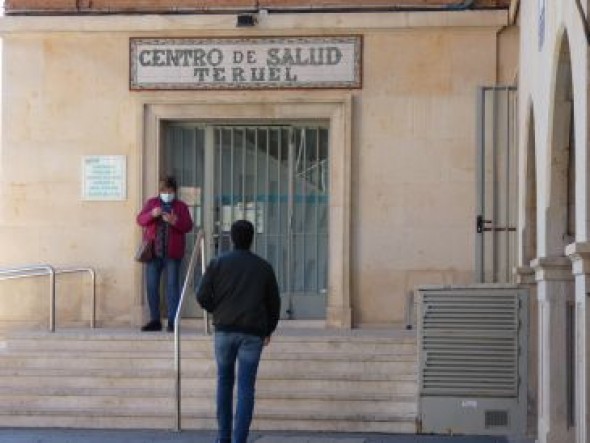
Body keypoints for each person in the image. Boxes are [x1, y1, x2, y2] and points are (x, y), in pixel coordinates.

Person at [196, 220, 281, 443]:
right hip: (253, 333)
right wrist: (268, 329)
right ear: (252, 238)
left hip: (224, 330)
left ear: (231, 238)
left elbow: (201, 295)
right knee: (246, 387)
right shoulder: (263, 267)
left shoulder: (218, 263)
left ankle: (223, 437)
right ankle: (239, 439)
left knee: (224, 382)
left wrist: (217, 310)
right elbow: (274, 303)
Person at [136, 176, 193, 332]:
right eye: (163, 190)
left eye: (169, 190)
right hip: (153, 253)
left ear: (174, 191)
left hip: (172, 254)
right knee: (152, 286)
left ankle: (172, 321)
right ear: (159, 191)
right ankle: (155, 320)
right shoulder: (152, 203)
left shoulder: (181, 206)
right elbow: (140, 220)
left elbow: (188, 226)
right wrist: (152, 214)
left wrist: (175, 221)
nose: (166, 193)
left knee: (172, 287)